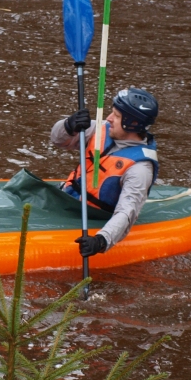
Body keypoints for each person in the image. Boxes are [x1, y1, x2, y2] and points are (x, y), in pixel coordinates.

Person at [51, 87, 159, 257]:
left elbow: (126, 212)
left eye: (116, 116)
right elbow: (57, 140)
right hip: (66, 197)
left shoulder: (140, 169)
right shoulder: (103, 128)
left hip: (93, 216)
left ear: (131, 123)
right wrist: (68, 125)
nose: (109, 118)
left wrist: (101, 240)